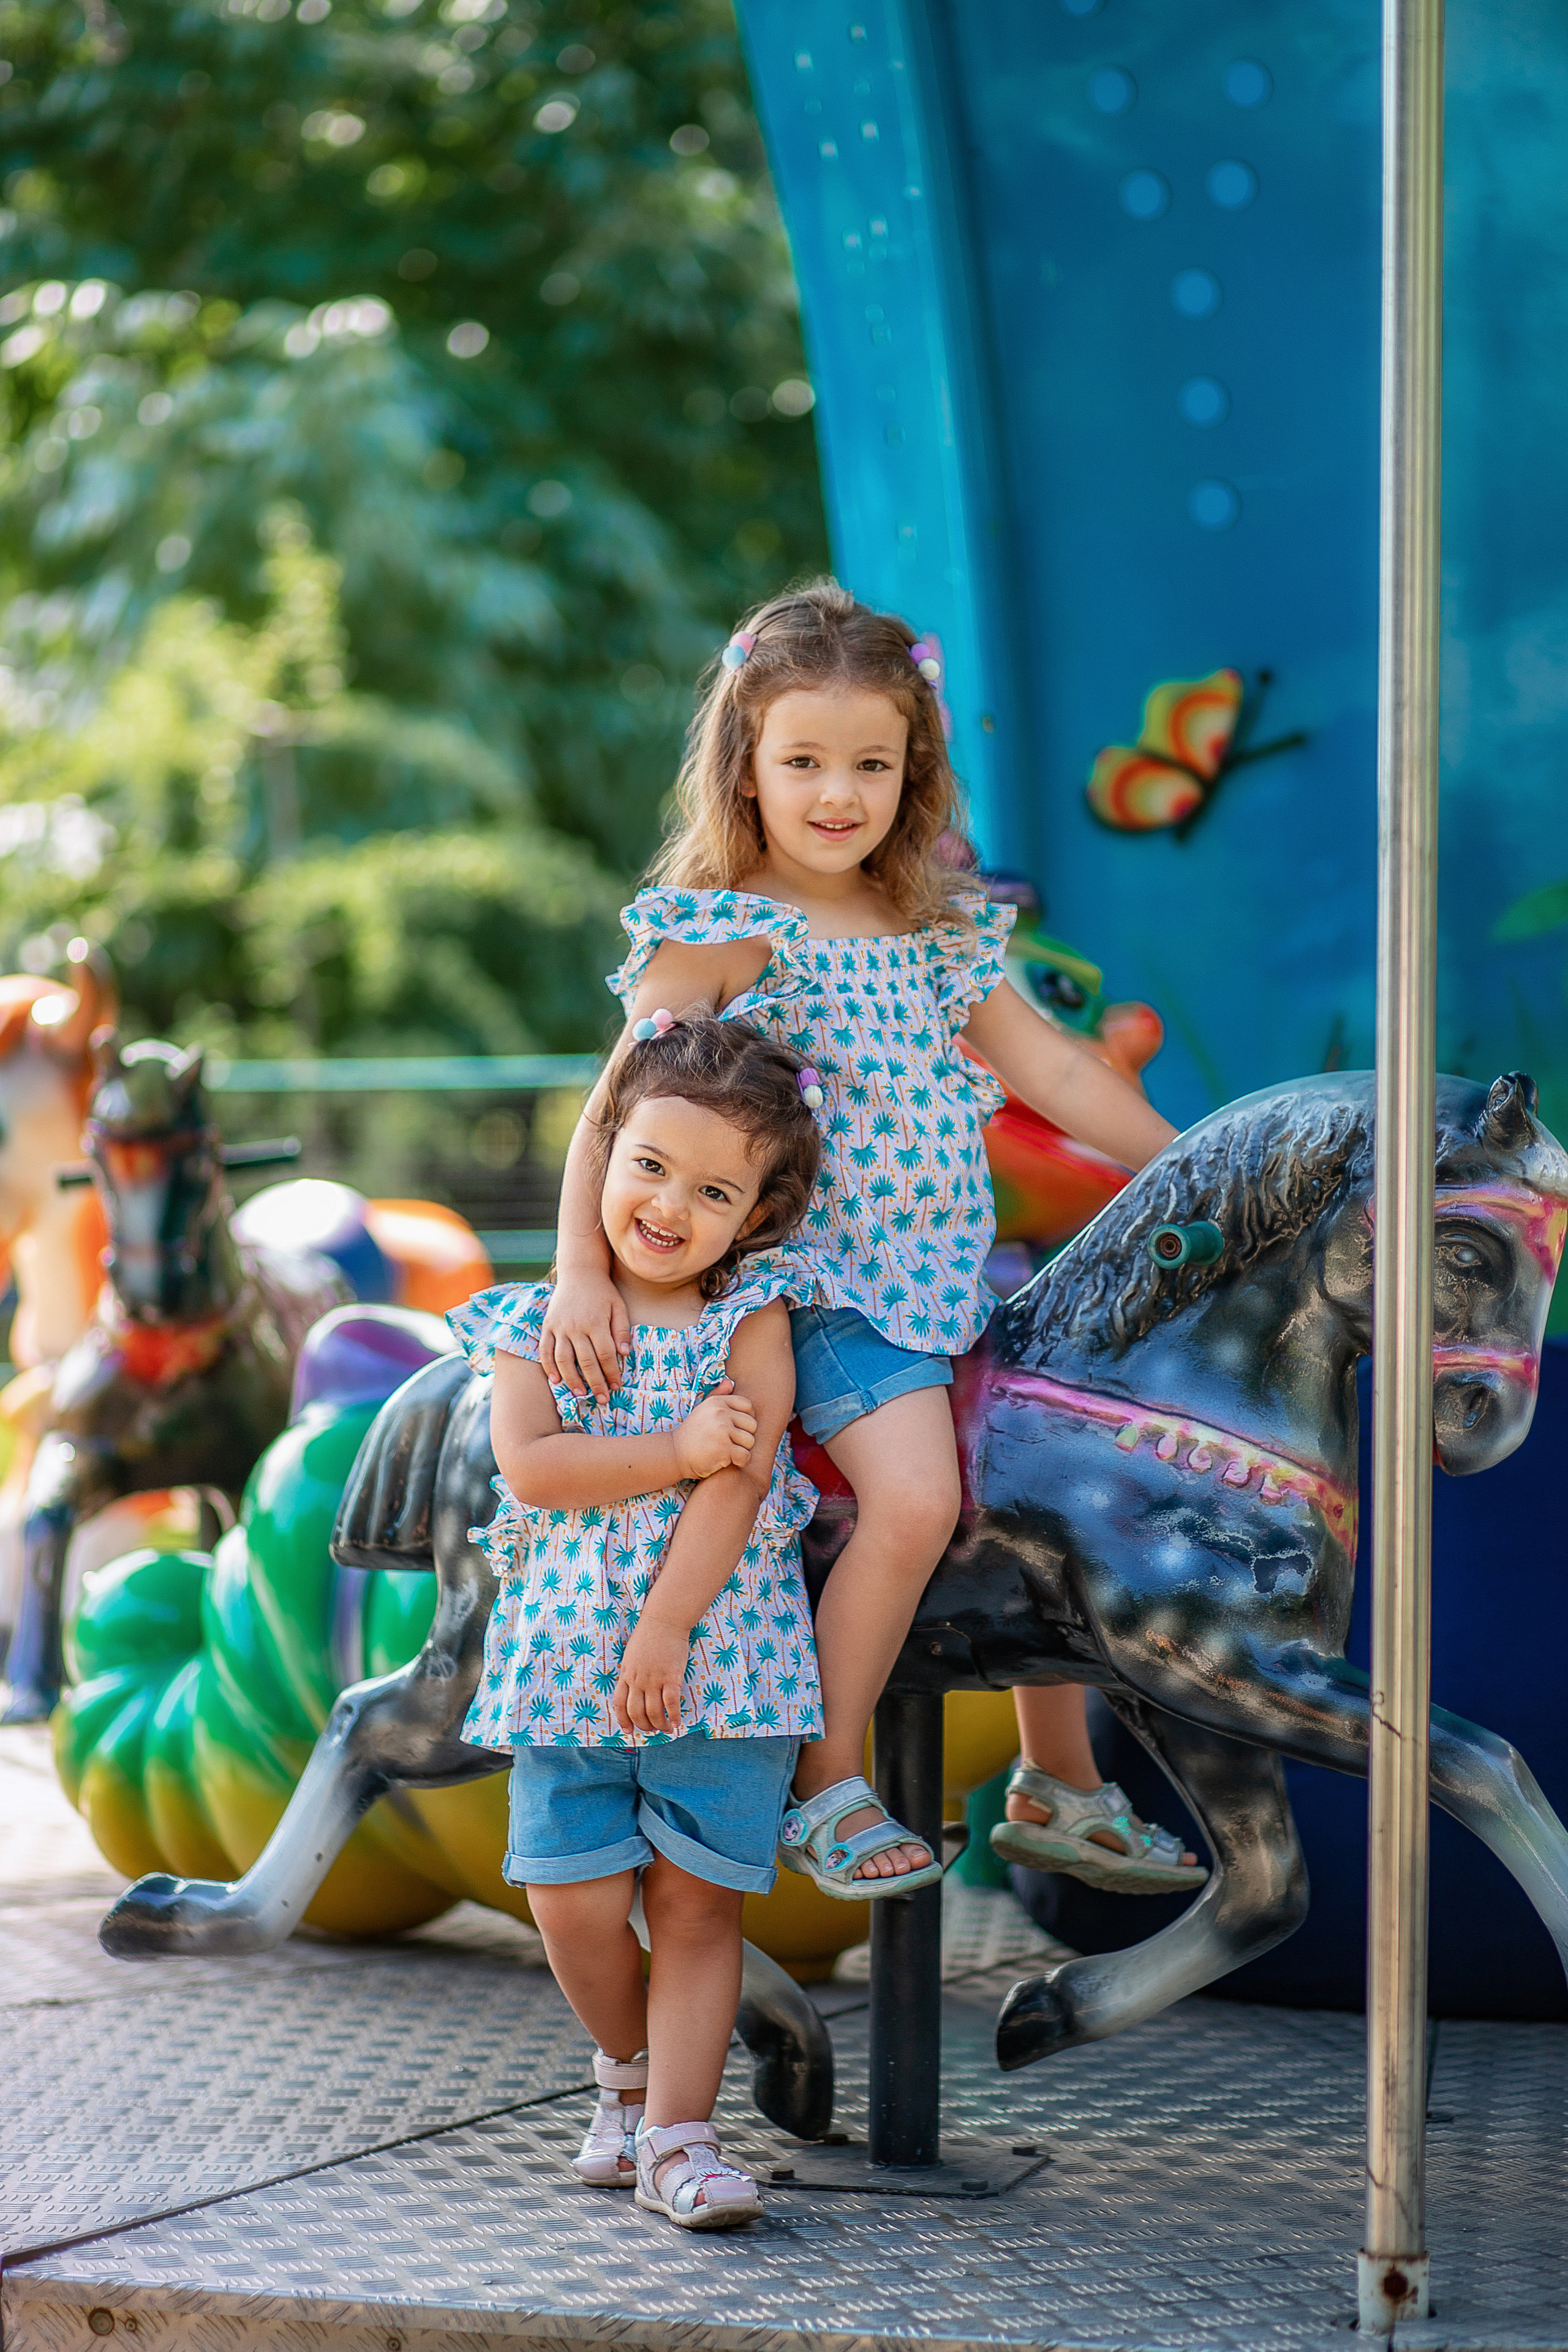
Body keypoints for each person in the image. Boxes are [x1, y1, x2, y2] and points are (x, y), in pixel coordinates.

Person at [541, 581, 1205, 1902]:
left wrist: (1205, 1165)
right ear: (745, 766)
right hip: (819, 1286)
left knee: (1062, 1471)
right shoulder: (725, 931)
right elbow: (617, 1113)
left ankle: (1058, 1782)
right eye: (802, 762)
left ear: (915, 771)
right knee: (914, 1499)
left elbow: (1062, 1078)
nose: (836, 793)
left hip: (947, 1282)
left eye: (869, 764)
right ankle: (825, 1780)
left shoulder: (940, 930)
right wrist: (577, 1270)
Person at [451, 1012, 823, 2233]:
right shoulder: (535, 1326)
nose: (668, 1207)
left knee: (695, 1905)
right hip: (563, 1668)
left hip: (725, 1663)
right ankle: (620, 2072)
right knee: (566, 1896)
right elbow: (536, 1470)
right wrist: (666, 1446)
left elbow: (744, 1476)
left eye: (712, 1190)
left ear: (754, 1216)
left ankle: (678, 2134)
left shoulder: (751, 1317)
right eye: (649, 1167)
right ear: (602, 1157)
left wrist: (666, 1628)